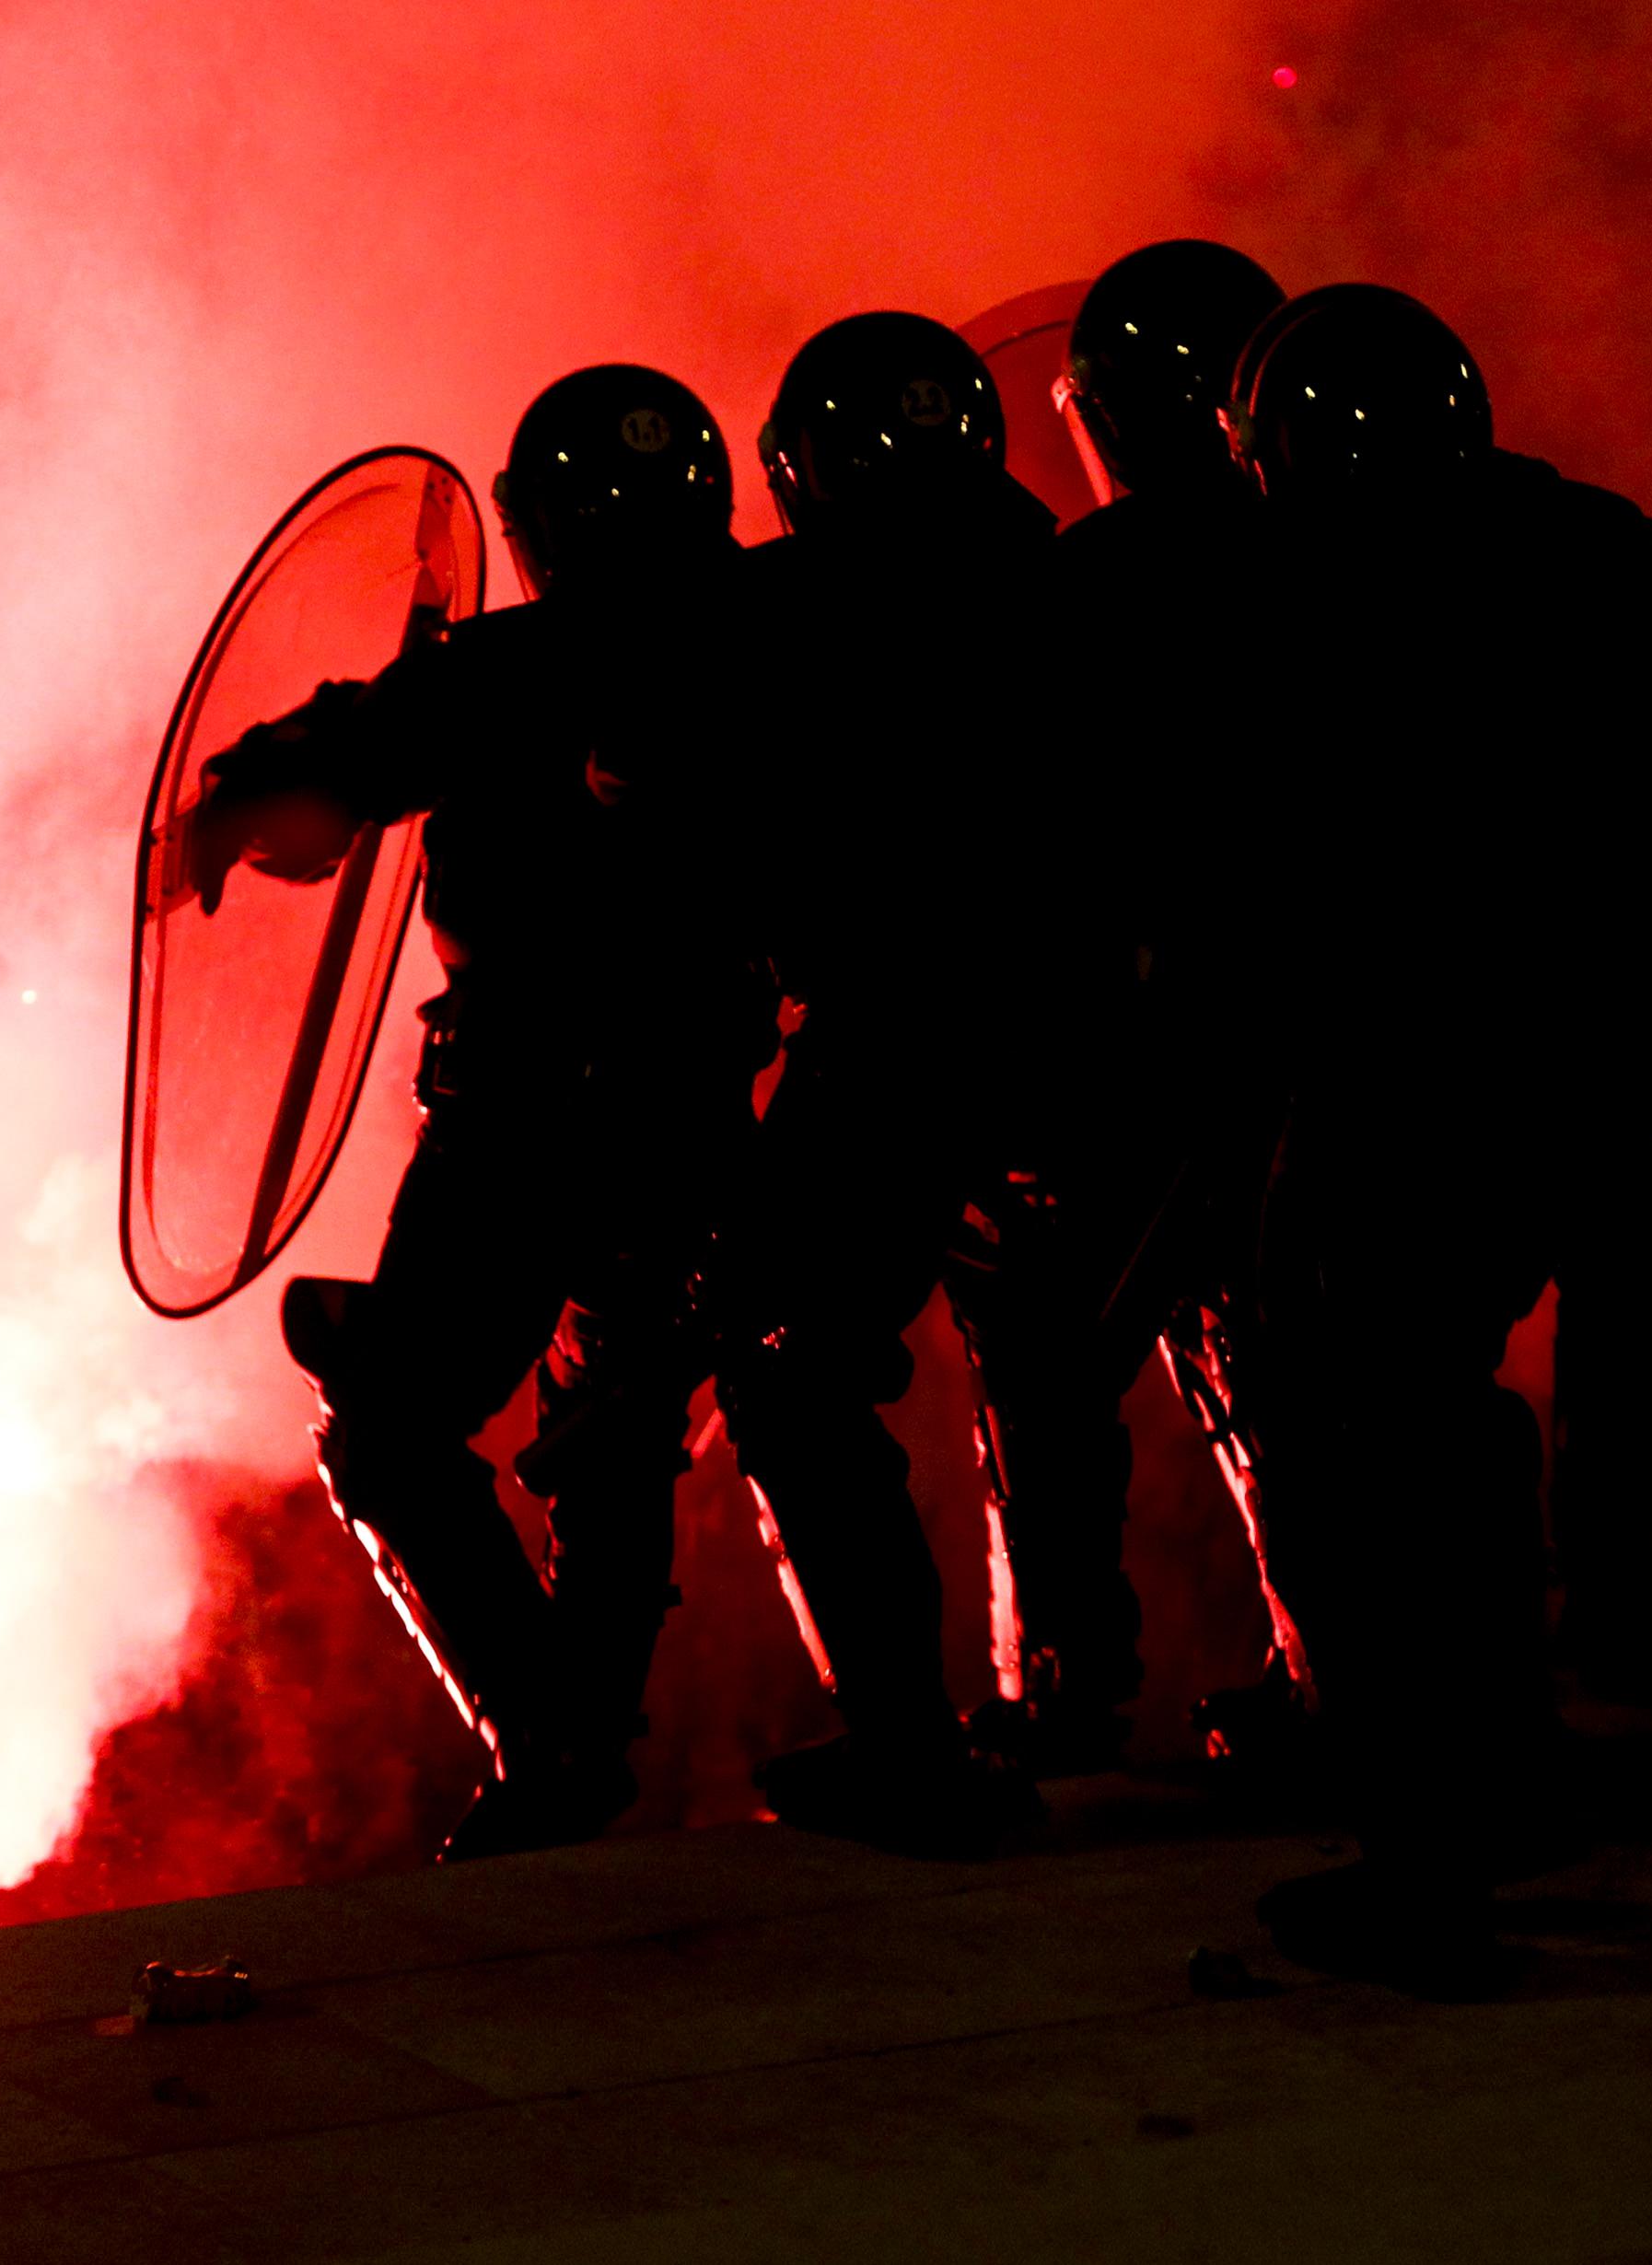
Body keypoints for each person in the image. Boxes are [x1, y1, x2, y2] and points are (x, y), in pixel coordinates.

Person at [1223, 285, 1652, 1990]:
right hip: (1595, 1070)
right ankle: (1515, 1757)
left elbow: (1260, 862)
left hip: (1410, 1089)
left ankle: (1429, 1861)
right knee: (1451, 1433)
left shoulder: (1315, 590)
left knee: (1375, 1457)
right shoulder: (1596, 545)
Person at [189, 364, 774, 1857]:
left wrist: (238, 795)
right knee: (614, 1431)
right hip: (698, 1112)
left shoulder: (510, 668)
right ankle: (577, 1752)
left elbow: (341, 767)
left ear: (539, 521)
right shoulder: (783, 639)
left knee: (390, 1434)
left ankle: (551, 1743)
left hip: (522, 1124)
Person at [622, 312, 1074, 1853]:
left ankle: (908, 1743)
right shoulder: (1064, 579)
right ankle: (1082, 1690)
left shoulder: (787, 604)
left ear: (799, 464)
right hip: (1094, 1037)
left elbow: (653, 783)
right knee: (1069, 1351)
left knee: (786, 1357)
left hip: (905, 1035)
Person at [949, 238, 1300, 1777]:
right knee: (1300, 1355)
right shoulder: (1375, 555)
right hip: (1370, 1037)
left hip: (1181, 1053)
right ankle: (1358, 1667)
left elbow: (1020, 847)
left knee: (1040, 1328)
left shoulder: (1087, 586)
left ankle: (1063, 1684)